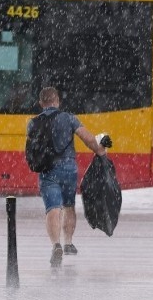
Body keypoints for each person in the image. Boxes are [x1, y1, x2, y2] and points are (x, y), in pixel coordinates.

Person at [28, 86, 107, 267]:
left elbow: (32, 149)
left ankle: (56, 245)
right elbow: (87, 138)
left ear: (41, 103)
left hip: (47, 170)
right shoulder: (69, 118)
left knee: (52, 208)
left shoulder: (33, 123)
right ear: (57, 101)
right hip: (68, 170)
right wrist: (100, 152)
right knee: (69, 205)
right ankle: (69, 242)